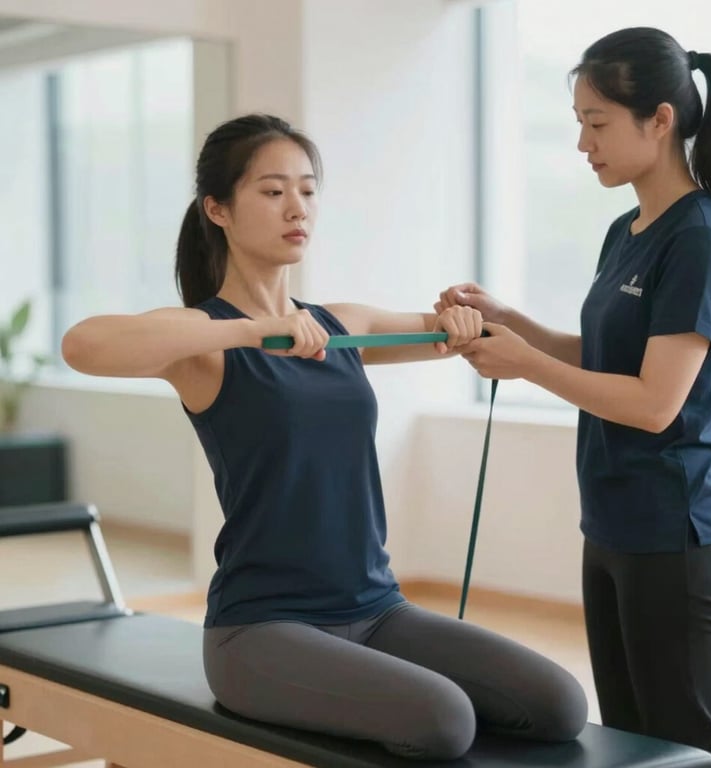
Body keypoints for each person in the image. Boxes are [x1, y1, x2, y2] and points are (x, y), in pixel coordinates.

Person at [61, 113, 587, 760]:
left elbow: (450, 332)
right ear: (217, 209)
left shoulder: (341, 325)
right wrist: (249, 332)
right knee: (443, 720)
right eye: (273, 190)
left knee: (559, 704)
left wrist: (462, 319)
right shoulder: (206, 340)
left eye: (308, 191)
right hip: (261, 629)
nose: (296, 208)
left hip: (378, 611)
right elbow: (83, 344)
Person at [436, 27, 711, 768]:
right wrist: (515, 326)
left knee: (689, 753)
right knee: (631, 748)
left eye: (597, 123)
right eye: (579, 123)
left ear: (662, 120)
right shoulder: (626, 230)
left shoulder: (699, 238)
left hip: (674, 538)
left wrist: (523, 366)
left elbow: (653, 403)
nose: (582, 143)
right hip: (610, 524)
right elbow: (606, 358)